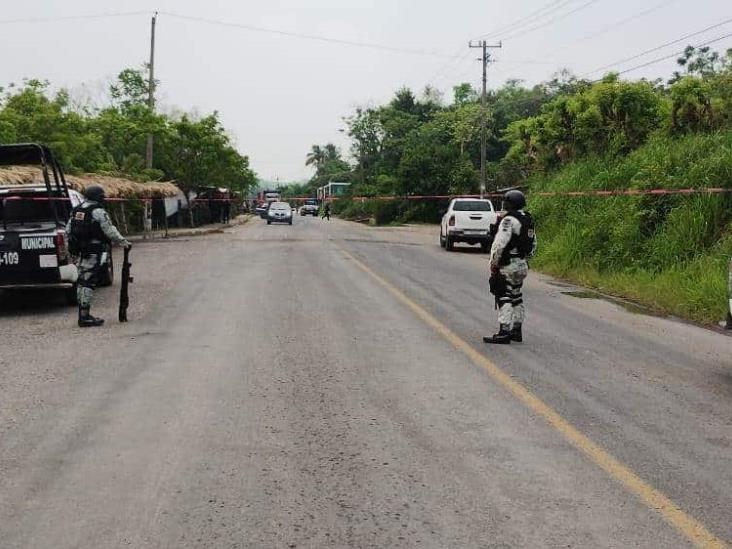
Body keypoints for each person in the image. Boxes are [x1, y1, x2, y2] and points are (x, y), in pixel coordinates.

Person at [67, 185, 131, 327]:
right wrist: (124, 243)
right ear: (98, 197)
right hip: (94, 251)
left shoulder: (76, 210)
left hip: (80, 252)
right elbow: (109, 230)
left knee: (82, 281)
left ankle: (83, 314)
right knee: (88, 282)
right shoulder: (97, 211)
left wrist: (71, 250)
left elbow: (68, 231)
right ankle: (84, 317)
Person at [484, 190, 536, 345]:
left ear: (511, 203)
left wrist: (493, 263)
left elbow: (499, 244)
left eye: (506, 201)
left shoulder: (509, 220)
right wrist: (525, 259)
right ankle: (516, 330)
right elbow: (533, 244)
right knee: (516, 295)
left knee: (503, 296)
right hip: (521, 263)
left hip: (508, 264)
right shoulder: (528, 219)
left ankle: (504, 331)